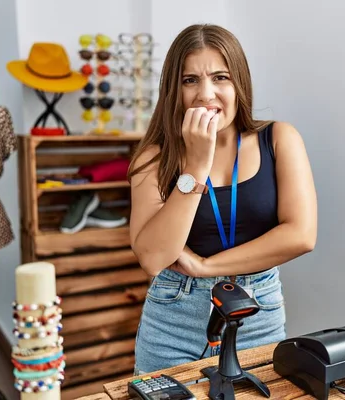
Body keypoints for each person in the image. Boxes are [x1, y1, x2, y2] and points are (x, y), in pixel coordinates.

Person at [128, 23, 317, 374]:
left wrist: (206, 267)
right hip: (173, 318)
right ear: (174, 89)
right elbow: (154, 257)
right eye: (190, 81)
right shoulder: (153, 158)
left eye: (220, 78)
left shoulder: (279, 139)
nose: (205, 94)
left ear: (238, 84)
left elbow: (301, 235)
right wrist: (196, 168)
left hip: (256, 309)